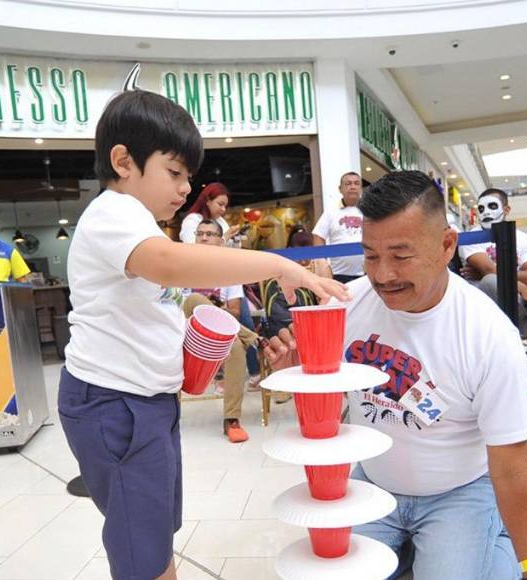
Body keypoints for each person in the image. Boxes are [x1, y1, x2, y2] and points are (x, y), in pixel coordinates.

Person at [57, 89, 348, 580]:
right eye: (174, 173)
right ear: (124, 161)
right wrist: (279, 264)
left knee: (155, 529)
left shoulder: (139, 222)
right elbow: (170, 267)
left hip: (144, 401)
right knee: (140, 546)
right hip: (113, 403)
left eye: (188, 176)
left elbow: (158, 302)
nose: (183, 188)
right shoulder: (113, 213)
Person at [267, 171, 527, 580]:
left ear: (447, 244)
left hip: (459, 492)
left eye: (401, 256)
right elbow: (325, 413)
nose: (382, 275)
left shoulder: (488, 335)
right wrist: (295, 372)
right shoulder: (349, 305)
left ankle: (501, 535)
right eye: (370, 255)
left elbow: (511, 465)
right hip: (372, 482)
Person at [458, 189, 527, 388]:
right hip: (484, 315)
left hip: (518, 311)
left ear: (506, 209)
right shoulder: (471, 238)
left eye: (492, 206)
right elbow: (489, 272)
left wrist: (491, 272)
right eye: (481, 208)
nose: (486, 212)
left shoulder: (523, 238)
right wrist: (524, 289)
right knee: (489, 281)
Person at [185, 219, 260, 443]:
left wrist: (216, 312)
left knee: (236, 347)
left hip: (218, 333)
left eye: (210, 234)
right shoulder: (185, 265)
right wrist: (214, 306)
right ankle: (256, 339)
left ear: (220, 240)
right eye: (200, 234)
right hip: (188, 327)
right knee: (195, 299)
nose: (204, 238)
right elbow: (179, 303)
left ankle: (231, 419)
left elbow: (235, 311)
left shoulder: (229, 271)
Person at [262, 230, 331, 338]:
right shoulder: (278, 276)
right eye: (300, 255)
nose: (304, 262)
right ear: (290, 251)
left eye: (308, 256)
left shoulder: (317, 268)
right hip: (288, 333)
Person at [312, 171, 365, 283]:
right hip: (339, 276)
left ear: (361, 188)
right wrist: (322, 264)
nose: (352, 187)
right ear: (340, 189)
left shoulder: (369, 211)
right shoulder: (331, 212)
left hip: (367, 274)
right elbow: (318, 236)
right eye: (348, 184)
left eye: (356, 183)